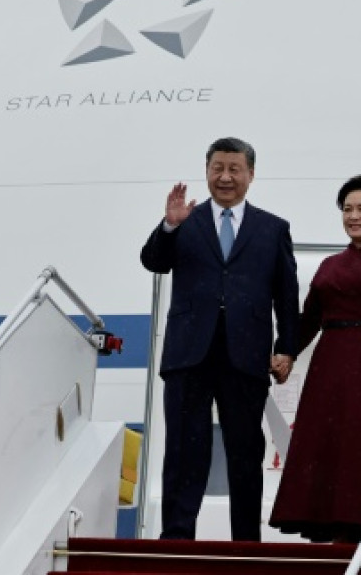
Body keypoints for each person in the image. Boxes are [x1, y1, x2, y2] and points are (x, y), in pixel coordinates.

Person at [140, 136, 299, 542]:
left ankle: (246, 541)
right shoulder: (184, 221)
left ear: (251, 174)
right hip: (189, 354)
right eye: (217, 168)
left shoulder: (272, 228)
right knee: (183, 450)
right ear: (207, 171)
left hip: (245, 355)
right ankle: (176, 536)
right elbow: (153, 261)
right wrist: (170, 225)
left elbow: (287, 294)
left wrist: (286, 348)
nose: (225, 177)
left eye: (234, 169)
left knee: (245, 452)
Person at [269, 174, 361, 543]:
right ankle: (322, 521)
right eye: (347, 209)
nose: (353, 216)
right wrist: (284, 353)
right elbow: (309, 319)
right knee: (326, 441)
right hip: (330, 362)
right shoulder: (329, 265)